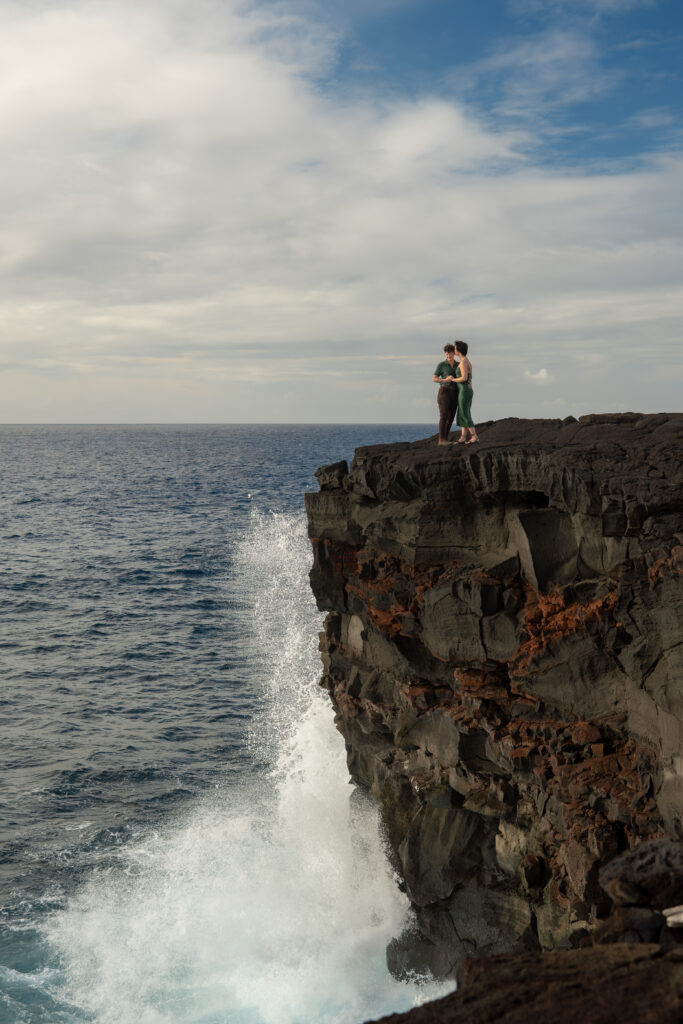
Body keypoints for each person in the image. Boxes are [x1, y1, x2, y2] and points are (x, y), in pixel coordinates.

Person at [432, 344, 460, 445]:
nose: (448, 355)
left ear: (454, 353)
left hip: (455, 393)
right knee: (443, 416)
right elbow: (434, 378)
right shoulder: (441, 365)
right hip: (444, 391)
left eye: (450, 353)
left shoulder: (458, 364)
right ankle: (441, 440)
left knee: (451, 417)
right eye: (446, 354)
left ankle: (445, 439)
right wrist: (444, 379)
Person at [453, 340, 478, 444]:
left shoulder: (463, 362)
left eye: (455, 348)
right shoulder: (467, 360)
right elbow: (470, 376)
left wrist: (452, 379)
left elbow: (463, 378)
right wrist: (469, 382)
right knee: (463, 412)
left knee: (464, 413)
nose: (454, 349)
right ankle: (463, 437)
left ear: (458, 350)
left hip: (464, 391)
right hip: (467, 390)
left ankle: (474, 436)